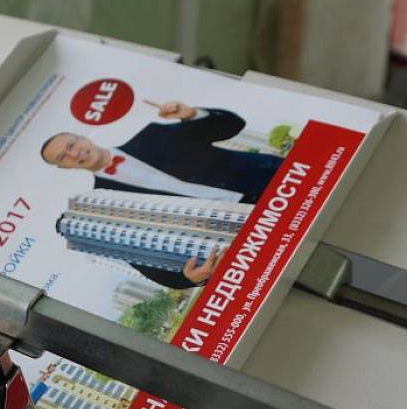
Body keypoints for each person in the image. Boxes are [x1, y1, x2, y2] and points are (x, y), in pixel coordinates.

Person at [40, 101, 282, 288]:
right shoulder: (107, 207)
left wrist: (192, 114)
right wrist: (188, 278)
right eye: (63, 157)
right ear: (64, 167)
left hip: (278, 182)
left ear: (83, 138)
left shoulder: (153, 135)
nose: (74, 154)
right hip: (247, 232)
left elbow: (233, 125)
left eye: (71, 145)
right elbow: (148, 262)